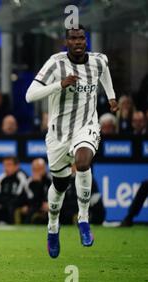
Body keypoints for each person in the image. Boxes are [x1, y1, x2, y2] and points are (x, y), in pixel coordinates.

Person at [25, 24, 118, 258]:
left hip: (86, 126)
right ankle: (52, 227)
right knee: (60, 185)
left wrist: (112, 97)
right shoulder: (55, 64)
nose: (78, 42)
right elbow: (29, 95)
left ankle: (83, 219)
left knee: (84, 162)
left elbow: (104, 71)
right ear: (66, 42)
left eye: (81, 38)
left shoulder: (98, 61)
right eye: (73, 39)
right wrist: (59, 84)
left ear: (85, 40)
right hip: (58, 134)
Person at [0, 157, 28, 224]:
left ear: (17, 166)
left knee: (12, 206)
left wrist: (4, 202)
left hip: (16, 205)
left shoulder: (21, 176)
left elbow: (20, 196)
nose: (6, 168)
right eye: (4, 165)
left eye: (9, 165)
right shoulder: (2, 177)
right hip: (4, 203)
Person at [18, 158, 51, 224]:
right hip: (34, 208)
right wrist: (37, 184)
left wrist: (51, 205)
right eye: (35, 169)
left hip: (52, 207)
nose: (37, 171)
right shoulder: (28, 182)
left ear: (45, 168)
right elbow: (29, 199)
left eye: (40, 169)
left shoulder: (51, 180)